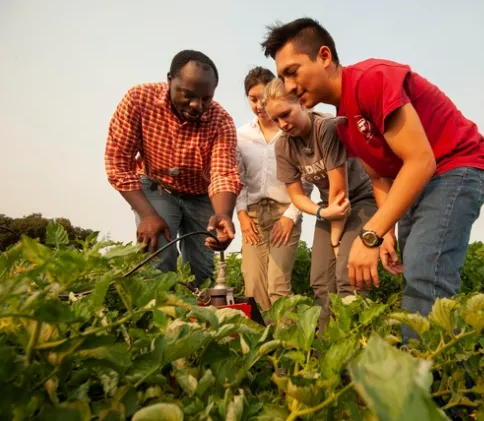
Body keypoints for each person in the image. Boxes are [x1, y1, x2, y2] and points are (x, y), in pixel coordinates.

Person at [260, 18, 484, 342]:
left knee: (427, 277)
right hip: (416, 181)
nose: (288, 85)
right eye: (283, 77)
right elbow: (380, 177)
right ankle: (437, 374)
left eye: (292, 71)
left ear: (324, 56)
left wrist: (369, 234)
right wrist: (385, 234)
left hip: (454, 168)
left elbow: (421, 160)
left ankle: (427, 381)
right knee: (416, 274)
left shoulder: (372, 79)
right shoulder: (344, 124)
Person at [105, 49, 241, 287]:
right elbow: (118, 162)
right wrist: (147, 215)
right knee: (158, 252)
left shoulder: (221, 120)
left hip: (201, 195)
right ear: (170, 80)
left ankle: (200, 317)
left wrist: (222, 214)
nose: (196, 105)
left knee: (202, 268)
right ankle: (163, 317)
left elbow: (223, 173)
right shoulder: (139, 100)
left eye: (206, 98)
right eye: (187, 95)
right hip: (158, 187)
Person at [261, 77, 377, 333]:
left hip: (359, 200)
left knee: (348, 277)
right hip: (329, 208)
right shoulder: (283, 145)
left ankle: (359, 346)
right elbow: (298, 196)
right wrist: (322, 212)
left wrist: (335, 242)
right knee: (321, 282)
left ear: (302, 103)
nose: (283, 124)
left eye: (285, 114)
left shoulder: (326, 128)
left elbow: (340, 192)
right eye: (276, 120)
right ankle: (326, 353)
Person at [235, 66, 307, 312]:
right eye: (253, 99)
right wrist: (242, 215)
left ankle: (288, 344)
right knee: (253, 286)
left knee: (277, 285)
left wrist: (290, 217)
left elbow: (305, 178)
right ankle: (264, 346)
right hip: (253, 216)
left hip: (284, 212)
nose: (258, 105)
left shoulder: (291, 130)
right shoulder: (241, 136)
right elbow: (239, 179)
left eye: (263, 98)